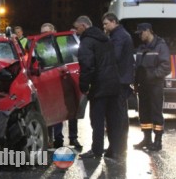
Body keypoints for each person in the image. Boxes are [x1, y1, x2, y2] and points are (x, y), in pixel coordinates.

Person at [74, 15, 121, 159]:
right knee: (112, 119)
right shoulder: (105, 38)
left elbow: (87, 66)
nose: (76, 31)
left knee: (97, 120)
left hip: (99, 86)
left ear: (84, 26)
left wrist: (84, 86)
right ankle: (114, 149)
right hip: (113, 84)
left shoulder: (87, 41)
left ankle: (96, 150)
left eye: (77, 28)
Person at [39, 22, 82, 150]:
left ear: (54, 31)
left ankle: (73, 138)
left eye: (47, 32)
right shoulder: (39, 45)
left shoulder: (63, 40)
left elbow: (76, 55)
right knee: (53, 111)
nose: (45, 35)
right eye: (42, 33)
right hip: (50, 81)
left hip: (66, 79)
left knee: (72, 110)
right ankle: (55, 139)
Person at [133, 23, 170, 152]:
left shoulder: (161, 46)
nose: (139, 36)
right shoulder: (141, 48)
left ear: (148, 31)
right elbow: (137, 67)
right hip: (143, 86)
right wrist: (136, 82)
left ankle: (158, 141)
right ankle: (147, 139)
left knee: (156, 113)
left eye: (141, 33)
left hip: (155, 85)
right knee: (143, 113)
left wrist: (152, 75)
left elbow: (166, 66)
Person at [102, 12, 135, 158]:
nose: (104, 26)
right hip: (122, 80)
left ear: (114, 22)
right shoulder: (120, 34)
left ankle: (117, 148)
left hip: (119, 80)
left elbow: (114, 56)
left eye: (106, 23)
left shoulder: (118, 36)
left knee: (117, 115)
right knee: (121, 114)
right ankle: (120, 146)